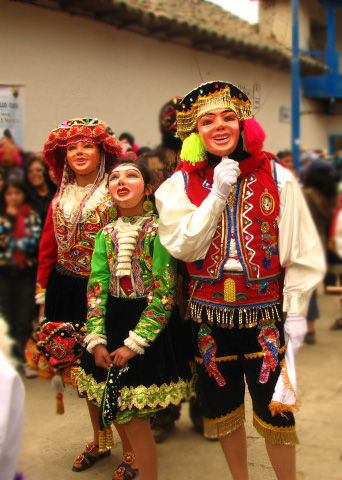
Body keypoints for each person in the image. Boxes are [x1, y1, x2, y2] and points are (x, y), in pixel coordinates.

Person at [156, 81, 325, 480]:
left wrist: (297, 314)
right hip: (207, 316)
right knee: (223, 409)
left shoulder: (278, 176)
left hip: (266, 313)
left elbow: (300, 250)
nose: (219, 126)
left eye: (228, 117)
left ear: (244, 124)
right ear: (194, 133)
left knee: (276, 410)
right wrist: (216, 193)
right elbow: (186, 247)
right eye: (207, 120)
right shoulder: (177, 184)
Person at [80, 160, 194, 480]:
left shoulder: (159, 230)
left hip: (146, 326)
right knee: (122, 411)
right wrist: (97, 338)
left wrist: (135, 343)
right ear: (109, 192)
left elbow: (164, 291)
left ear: (146, 189)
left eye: (132, 175)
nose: (121, 181)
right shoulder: (104, 234)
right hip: (113, 321)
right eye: (114, 177)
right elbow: (97, 286)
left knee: (137, 419)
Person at [35, 117, 121, 471]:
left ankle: (132, 447)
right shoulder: (60, 197)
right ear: (64, 155)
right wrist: (42, 290)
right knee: (83, 374)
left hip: (109, 292)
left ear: (102, 152)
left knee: (115, 372)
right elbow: (47, 246)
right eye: (72, 147)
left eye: (88, 145)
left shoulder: (116, 190)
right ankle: (102, 438)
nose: (80, 152)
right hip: (66, 289)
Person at [0, 178, 41, 369]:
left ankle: (24, 357)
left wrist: (11, 241)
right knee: (6, 315)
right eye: (9, 193)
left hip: (25, 273)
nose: (13, 197)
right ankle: (9, 357)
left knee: (24, 316)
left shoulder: (30, 215)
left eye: (17, 193)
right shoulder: (2, 216)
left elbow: (33, 242)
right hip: (4, 273)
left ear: (24, 194)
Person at [24, 154, 56, 226]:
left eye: (38, 170)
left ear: (46, 172)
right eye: (30, 171)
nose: (34, 174)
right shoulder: (25, 198)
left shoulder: (57, 193)